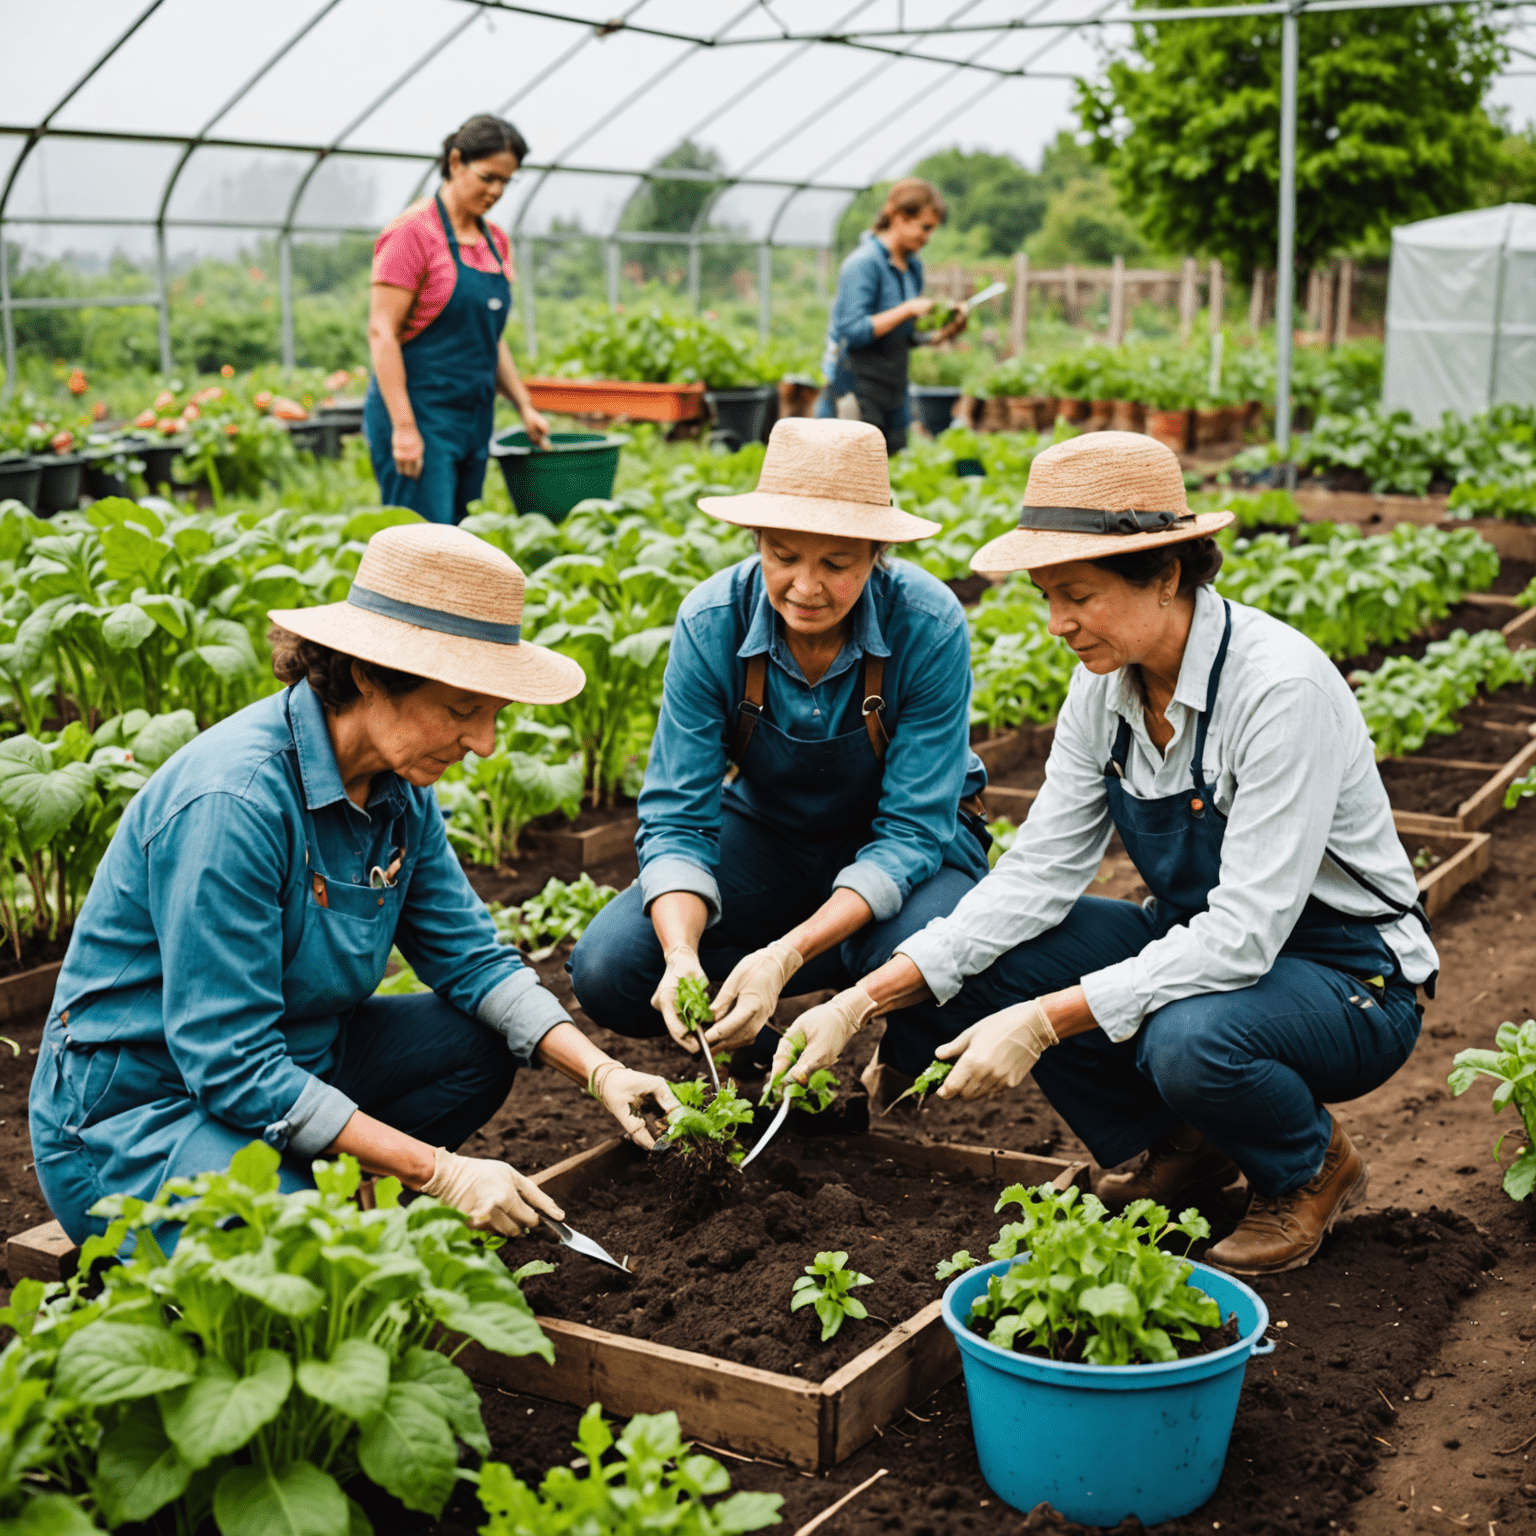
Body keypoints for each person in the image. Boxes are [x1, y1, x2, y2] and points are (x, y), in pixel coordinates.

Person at [773, 432, 1439, 1276]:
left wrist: (1043, 1022)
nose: (1057, 624)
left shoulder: (1278, 692)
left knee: (1187, 1040)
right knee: (999, 956)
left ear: (1164, 574)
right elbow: (1038, 871)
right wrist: (858, 1003)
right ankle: (1186, 1149)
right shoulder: (1104, 687)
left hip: (1352, 976)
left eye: (1077, 595)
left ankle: (1308, 1168)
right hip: (1205, 940)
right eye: (1047, 596)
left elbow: (1245, 935)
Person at [30, 523, 678, 1245]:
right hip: (143, 1113)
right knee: (300, 1254)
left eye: (494, 713)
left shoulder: (398, 788)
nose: (485, 742)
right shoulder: (235, 804)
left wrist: (601, 1074)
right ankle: (304, 1201)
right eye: (464, 709)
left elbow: (471, 958)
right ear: (369, 675)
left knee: (477, 1048)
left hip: (298, 1061)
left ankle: (322, 1186)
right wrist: (438, 1170)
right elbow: (230, 1064)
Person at [569, 418, 991, 1084]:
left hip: (910, 847)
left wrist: (785, 954)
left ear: (877, 552)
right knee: (612, 966)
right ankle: (767, 1055)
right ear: (757, 542)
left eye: (837, 564)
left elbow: (912, 831)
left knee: (932, 943)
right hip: (771, 833)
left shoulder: (928, 624)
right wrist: (682, 954)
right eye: (784, 555)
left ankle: (902, 1043)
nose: (805, 585)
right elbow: (678, 816)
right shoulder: (712, 622)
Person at [365, 114, 550, 525]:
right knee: (422, 549)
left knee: (460, 543)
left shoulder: (495, 241)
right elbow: (382, 332)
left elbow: (490, 336)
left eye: (507, 181)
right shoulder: (411, 234)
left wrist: (523, 405)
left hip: (473, 416)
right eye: (487, 177)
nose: (496, 191)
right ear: (454, 162)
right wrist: (405, 428)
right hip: (421, 414)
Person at [817, 178, 968, 454]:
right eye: (924, 227)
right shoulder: (862, 265)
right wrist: (907, 309)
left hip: (894, 387)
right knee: (856, 470)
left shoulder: (912, 267)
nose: (927, 237)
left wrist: (944, 332)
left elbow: (906, 335)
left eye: (931, 229)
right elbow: (851, 330)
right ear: (898, 217)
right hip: (856, 385)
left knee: (893, 462)